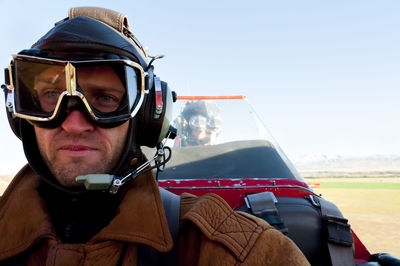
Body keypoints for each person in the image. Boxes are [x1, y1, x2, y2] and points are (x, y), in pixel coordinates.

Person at [0, 7, 310, 265]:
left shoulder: (225, 251)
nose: (74, 124)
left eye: (106, 99)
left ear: (149, 116)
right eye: (52, 95)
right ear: (21, 114)